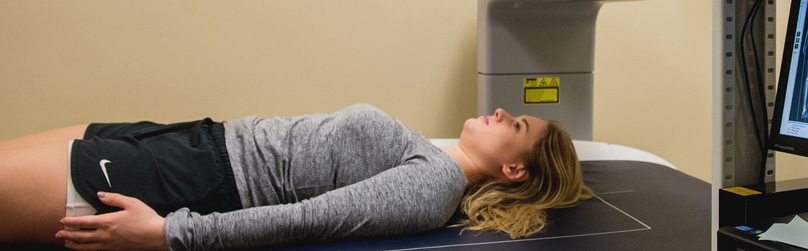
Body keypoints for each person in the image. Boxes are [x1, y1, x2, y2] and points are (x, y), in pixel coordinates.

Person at [0, 104, 594, 250]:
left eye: (512, 122)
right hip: (191, 138)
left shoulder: (434, 184)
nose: (496, 113)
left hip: (188, 178)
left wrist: (169, 234)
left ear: (515, 167)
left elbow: (310, 218)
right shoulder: (430, 152)